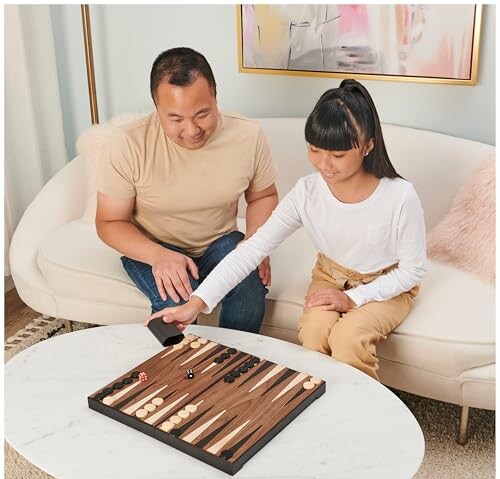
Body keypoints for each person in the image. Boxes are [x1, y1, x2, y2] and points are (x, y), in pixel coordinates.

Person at [146, 79, 427, 382]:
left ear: (368, 146)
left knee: (348, 338)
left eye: (338, 154)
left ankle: (357, 416)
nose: (324, 164)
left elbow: (412, 271)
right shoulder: (307, 192)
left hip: (387, 284)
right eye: (315, 150)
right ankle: (320, 406)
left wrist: (353, 299)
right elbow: (253, 250)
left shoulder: (399, 196)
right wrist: (194, 305)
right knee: (314, 334)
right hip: (329, 276)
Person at [95, 47, 278, 334]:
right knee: (176, 298)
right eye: (176, 119)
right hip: (154, 244)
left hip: (220, 242)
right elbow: (109, 222)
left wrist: (255, 242)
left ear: (215, 97)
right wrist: (157, 256)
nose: (192, 129)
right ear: (157, 108)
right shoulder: (127, 144)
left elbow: (263, 196)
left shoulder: (248, 135)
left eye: (202, 113)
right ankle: (171, 373)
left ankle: (235, 364)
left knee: (249, 281)